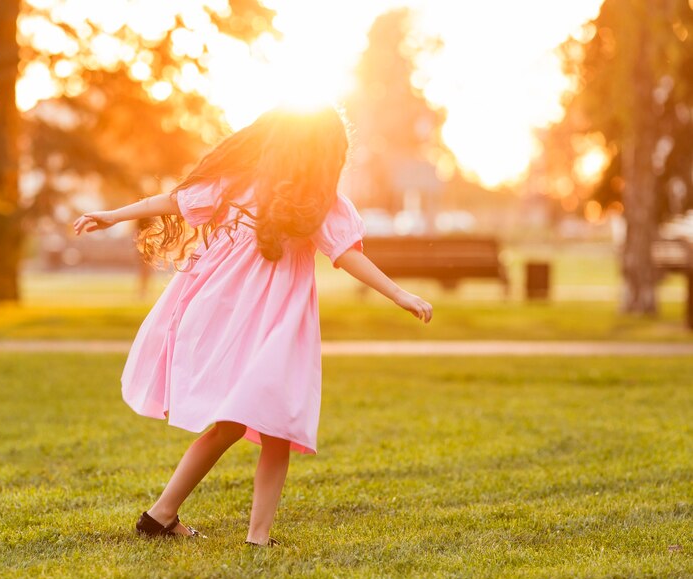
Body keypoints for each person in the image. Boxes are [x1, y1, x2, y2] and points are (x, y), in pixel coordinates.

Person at [73, 106, 433, 547]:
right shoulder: (311, 200)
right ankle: (250, 537)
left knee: (238, 424)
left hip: (231, 314)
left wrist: (114, 214)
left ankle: (162, 516)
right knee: (272, 421)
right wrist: (400, 294)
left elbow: (174, 201)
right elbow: (346, 254)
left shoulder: (258, 186)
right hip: (263, 321)